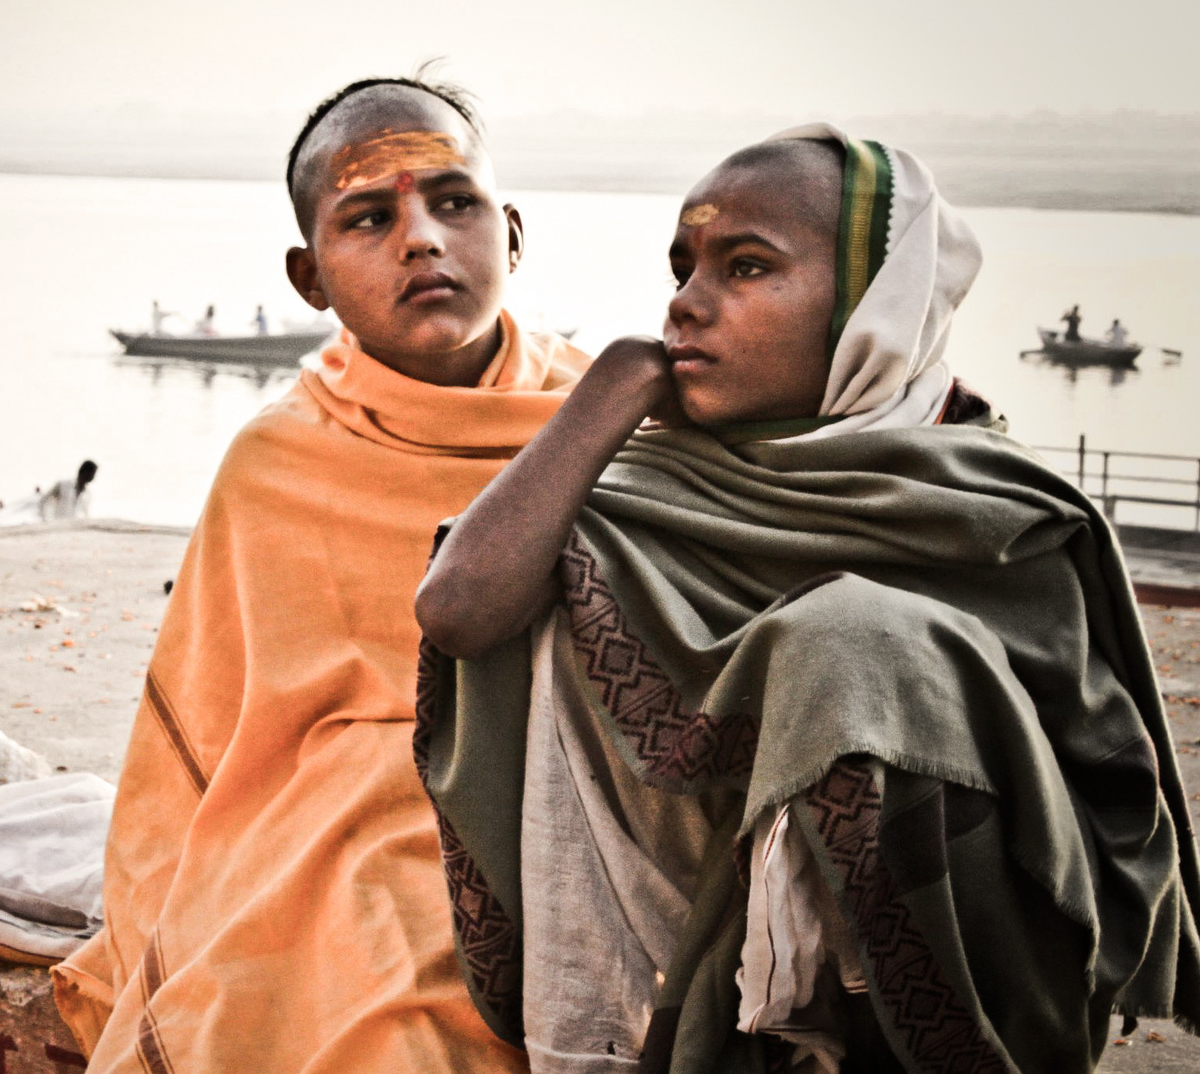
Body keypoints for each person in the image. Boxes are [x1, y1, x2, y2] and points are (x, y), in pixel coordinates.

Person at [415, 128, 1200, 1071]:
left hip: (929, 1001)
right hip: (655, 994)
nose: (687, 305)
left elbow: (1091, 804)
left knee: (853, 645)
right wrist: (608, 389)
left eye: (745, 268)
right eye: (682, 267)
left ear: (874, 305)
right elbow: (460, 609)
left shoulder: (995, 511)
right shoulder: (637, 491)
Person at [52, 76, 589, 1074]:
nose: (422, 238)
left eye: (454, 202)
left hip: (566, 812)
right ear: (311, 278)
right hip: (339, 838)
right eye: (370, 217)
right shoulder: (277, 462)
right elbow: (203, 746)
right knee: (397, 1010)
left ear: (511, 234)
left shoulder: (604, 424)